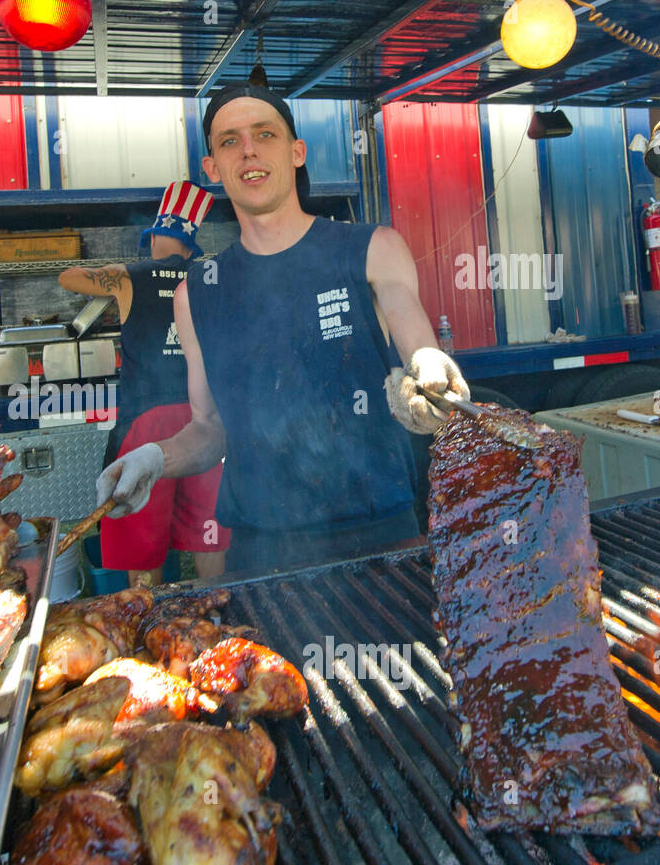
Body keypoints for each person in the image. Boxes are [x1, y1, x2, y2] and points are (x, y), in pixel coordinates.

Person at [95, 79, 470, 575]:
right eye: (229, 141)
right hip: (261, 551)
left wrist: (428, 371)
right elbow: (209, 430)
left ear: (296, 152)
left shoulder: (371, 247)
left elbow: (419, 348)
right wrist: (154, 458)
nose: (248, 150)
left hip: (382, 536)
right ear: (212, 168)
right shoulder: (197, 292)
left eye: (265, 134)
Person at [59, 182, 228, 586]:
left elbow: (69, 277)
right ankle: (220, 611)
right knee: (211, 532)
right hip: (203, 423)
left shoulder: (127, 277)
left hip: (144, 425)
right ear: (191, 247)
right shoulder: (211, 276)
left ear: (153, 238)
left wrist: (120, 273)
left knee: (141, 535)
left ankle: (147, 616)